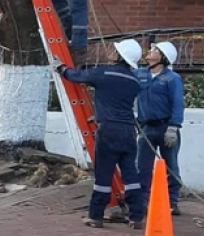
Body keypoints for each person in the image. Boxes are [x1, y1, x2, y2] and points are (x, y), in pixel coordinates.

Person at [52, 39, 145, 229]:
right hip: (128, 130)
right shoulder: (134, 81)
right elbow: (116, 101)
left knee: (103, 174)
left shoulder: (104, 73)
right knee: (130, 174)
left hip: (109, 130)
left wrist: (60, 67)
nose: (110, 50)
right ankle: (136, 217)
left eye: (115, 50)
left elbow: (76, 76)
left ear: (119, 57)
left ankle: (96, 216)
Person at [135, 41, 185, 216]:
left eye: (155, 50)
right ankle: (142, 202)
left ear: (163, 57)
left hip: (166, 127)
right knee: (142, 167)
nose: (150, 51)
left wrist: (174, 127)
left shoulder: (172, 78)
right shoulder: (140, 74)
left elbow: (178, 104)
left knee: (170, 166)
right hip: (147, 128)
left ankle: (172, 202)